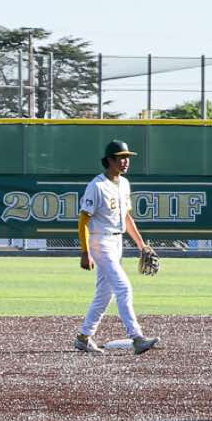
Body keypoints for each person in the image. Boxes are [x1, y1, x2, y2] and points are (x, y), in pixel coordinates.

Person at [74, 140, 159, 355]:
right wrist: (85, 251)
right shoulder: (97, 186)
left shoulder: (124, 183)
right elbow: (83, 220)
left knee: (105, 293)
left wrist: (141, 244)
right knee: (123, 287)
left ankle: (84, 337)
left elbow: (126, 217)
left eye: (127, 157)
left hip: (117, 242)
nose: (125, 161)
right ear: (109, 160)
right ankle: (137, 337)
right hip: (100, 241)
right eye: (121, 157)